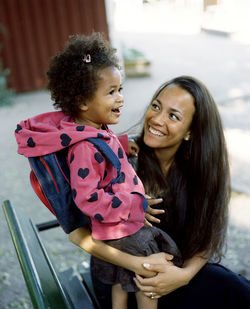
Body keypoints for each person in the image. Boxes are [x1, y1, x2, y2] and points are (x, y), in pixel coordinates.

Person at [14, 33, 183, 309]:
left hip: (110, 231)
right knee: (148, 279)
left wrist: (122, 144)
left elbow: (99, 145)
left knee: (120, 283)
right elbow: (88, 199)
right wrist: (134, 204)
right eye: (111, 92)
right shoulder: (84, 148)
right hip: (119, 229)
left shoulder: (86, 129)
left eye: (120, 89)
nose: (121, 99)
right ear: (82, 102)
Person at [69, 75, 250, 308]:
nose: (156, 119)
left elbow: (207, 236)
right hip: (123, 283)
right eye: (156, 106)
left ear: (190, 132)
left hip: (173, 272)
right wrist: (138, 265)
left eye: (173, 116)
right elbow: (77, 234)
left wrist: (183, 276)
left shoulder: (201, 170)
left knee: (232, 287)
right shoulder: (119, 158)